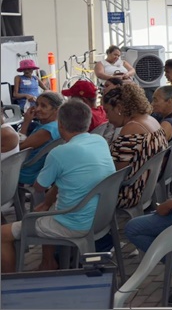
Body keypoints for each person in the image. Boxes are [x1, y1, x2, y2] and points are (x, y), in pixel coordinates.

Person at [1, 100, 115, 273]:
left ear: (60, 124)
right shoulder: (99, 141)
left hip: (74, 223)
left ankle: (9, 284)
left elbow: (39, 186)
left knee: (3, 234)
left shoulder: (60, 152)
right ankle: (48, 263)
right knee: (45, 210)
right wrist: (47, 202)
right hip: (101, 217)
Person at [103, 82, 168, 209]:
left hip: (128, 193)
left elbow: (116, 171)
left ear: (119, 108)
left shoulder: (131, 128)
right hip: (146, 188)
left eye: (107, 111)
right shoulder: (151, 120)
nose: (106, 117)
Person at [17, 92, 64, 185]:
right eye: (37, 104)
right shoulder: (57, 125)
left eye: (43, 106)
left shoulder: (47, 130)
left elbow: (18, 148)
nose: (37, 109)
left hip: (26, 173)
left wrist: (26, 122)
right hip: (39, 171)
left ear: (56, 110)